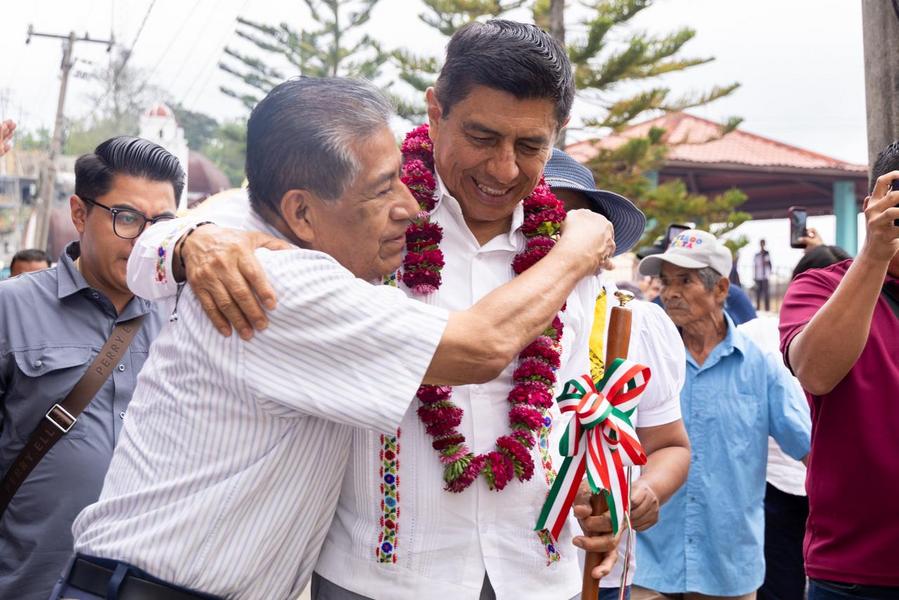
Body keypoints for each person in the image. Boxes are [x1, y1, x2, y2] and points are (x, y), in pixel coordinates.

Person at [123, 22, 625, 600]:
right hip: (380, 576)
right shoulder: (364, 203)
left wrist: (601, 490)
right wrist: (192, 240)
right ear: (435, 112)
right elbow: (168, 242)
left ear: (559, 133)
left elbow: (570, 403)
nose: (504, 169)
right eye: (482, 137)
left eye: (531, 146)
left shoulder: (568, 244)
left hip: (535, 574)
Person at [0, 137, 182, 600]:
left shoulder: (186, 319)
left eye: (161, 224)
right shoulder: (10, 310)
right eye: (126, 218)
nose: (145, 240)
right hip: (29, 585)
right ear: (80, 214)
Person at [544, 148, 690, 600]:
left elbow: (670, 446)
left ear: (602, 239)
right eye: (537, 217)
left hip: (597, 573)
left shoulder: (637, 322)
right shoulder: (479, 316)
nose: (554, 233)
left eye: (571, 221)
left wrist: (645, 491)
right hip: (491, 575)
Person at [633, 229, 810, 600]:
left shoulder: (760, 366)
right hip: (649, 560)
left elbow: (809, 448)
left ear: (721, 289)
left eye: (685, 281)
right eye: (666, 281)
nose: (670, 293)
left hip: (728, 564)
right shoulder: (649, 361)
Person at [779, 141, 899, 599]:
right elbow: (815, 372)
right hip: (855, 572)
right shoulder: (819, 286)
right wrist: (876, 254)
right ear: (874, 205)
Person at [744, 243, 848, 600]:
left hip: (807, 484)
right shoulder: (757, 335)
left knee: (792, 581)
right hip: (786, 483)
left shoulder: (755, 333)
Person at [753, 240, 772, 311]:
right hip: (758, 276)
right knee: (758, 293)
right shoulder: (757, 255)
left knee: (766, 293)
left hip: (765, 276)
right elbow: (755, 266)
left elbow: (769, 263)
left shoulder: (767, 253)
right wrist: (754, 275)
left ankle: (767, 309)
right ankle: (758, 308)